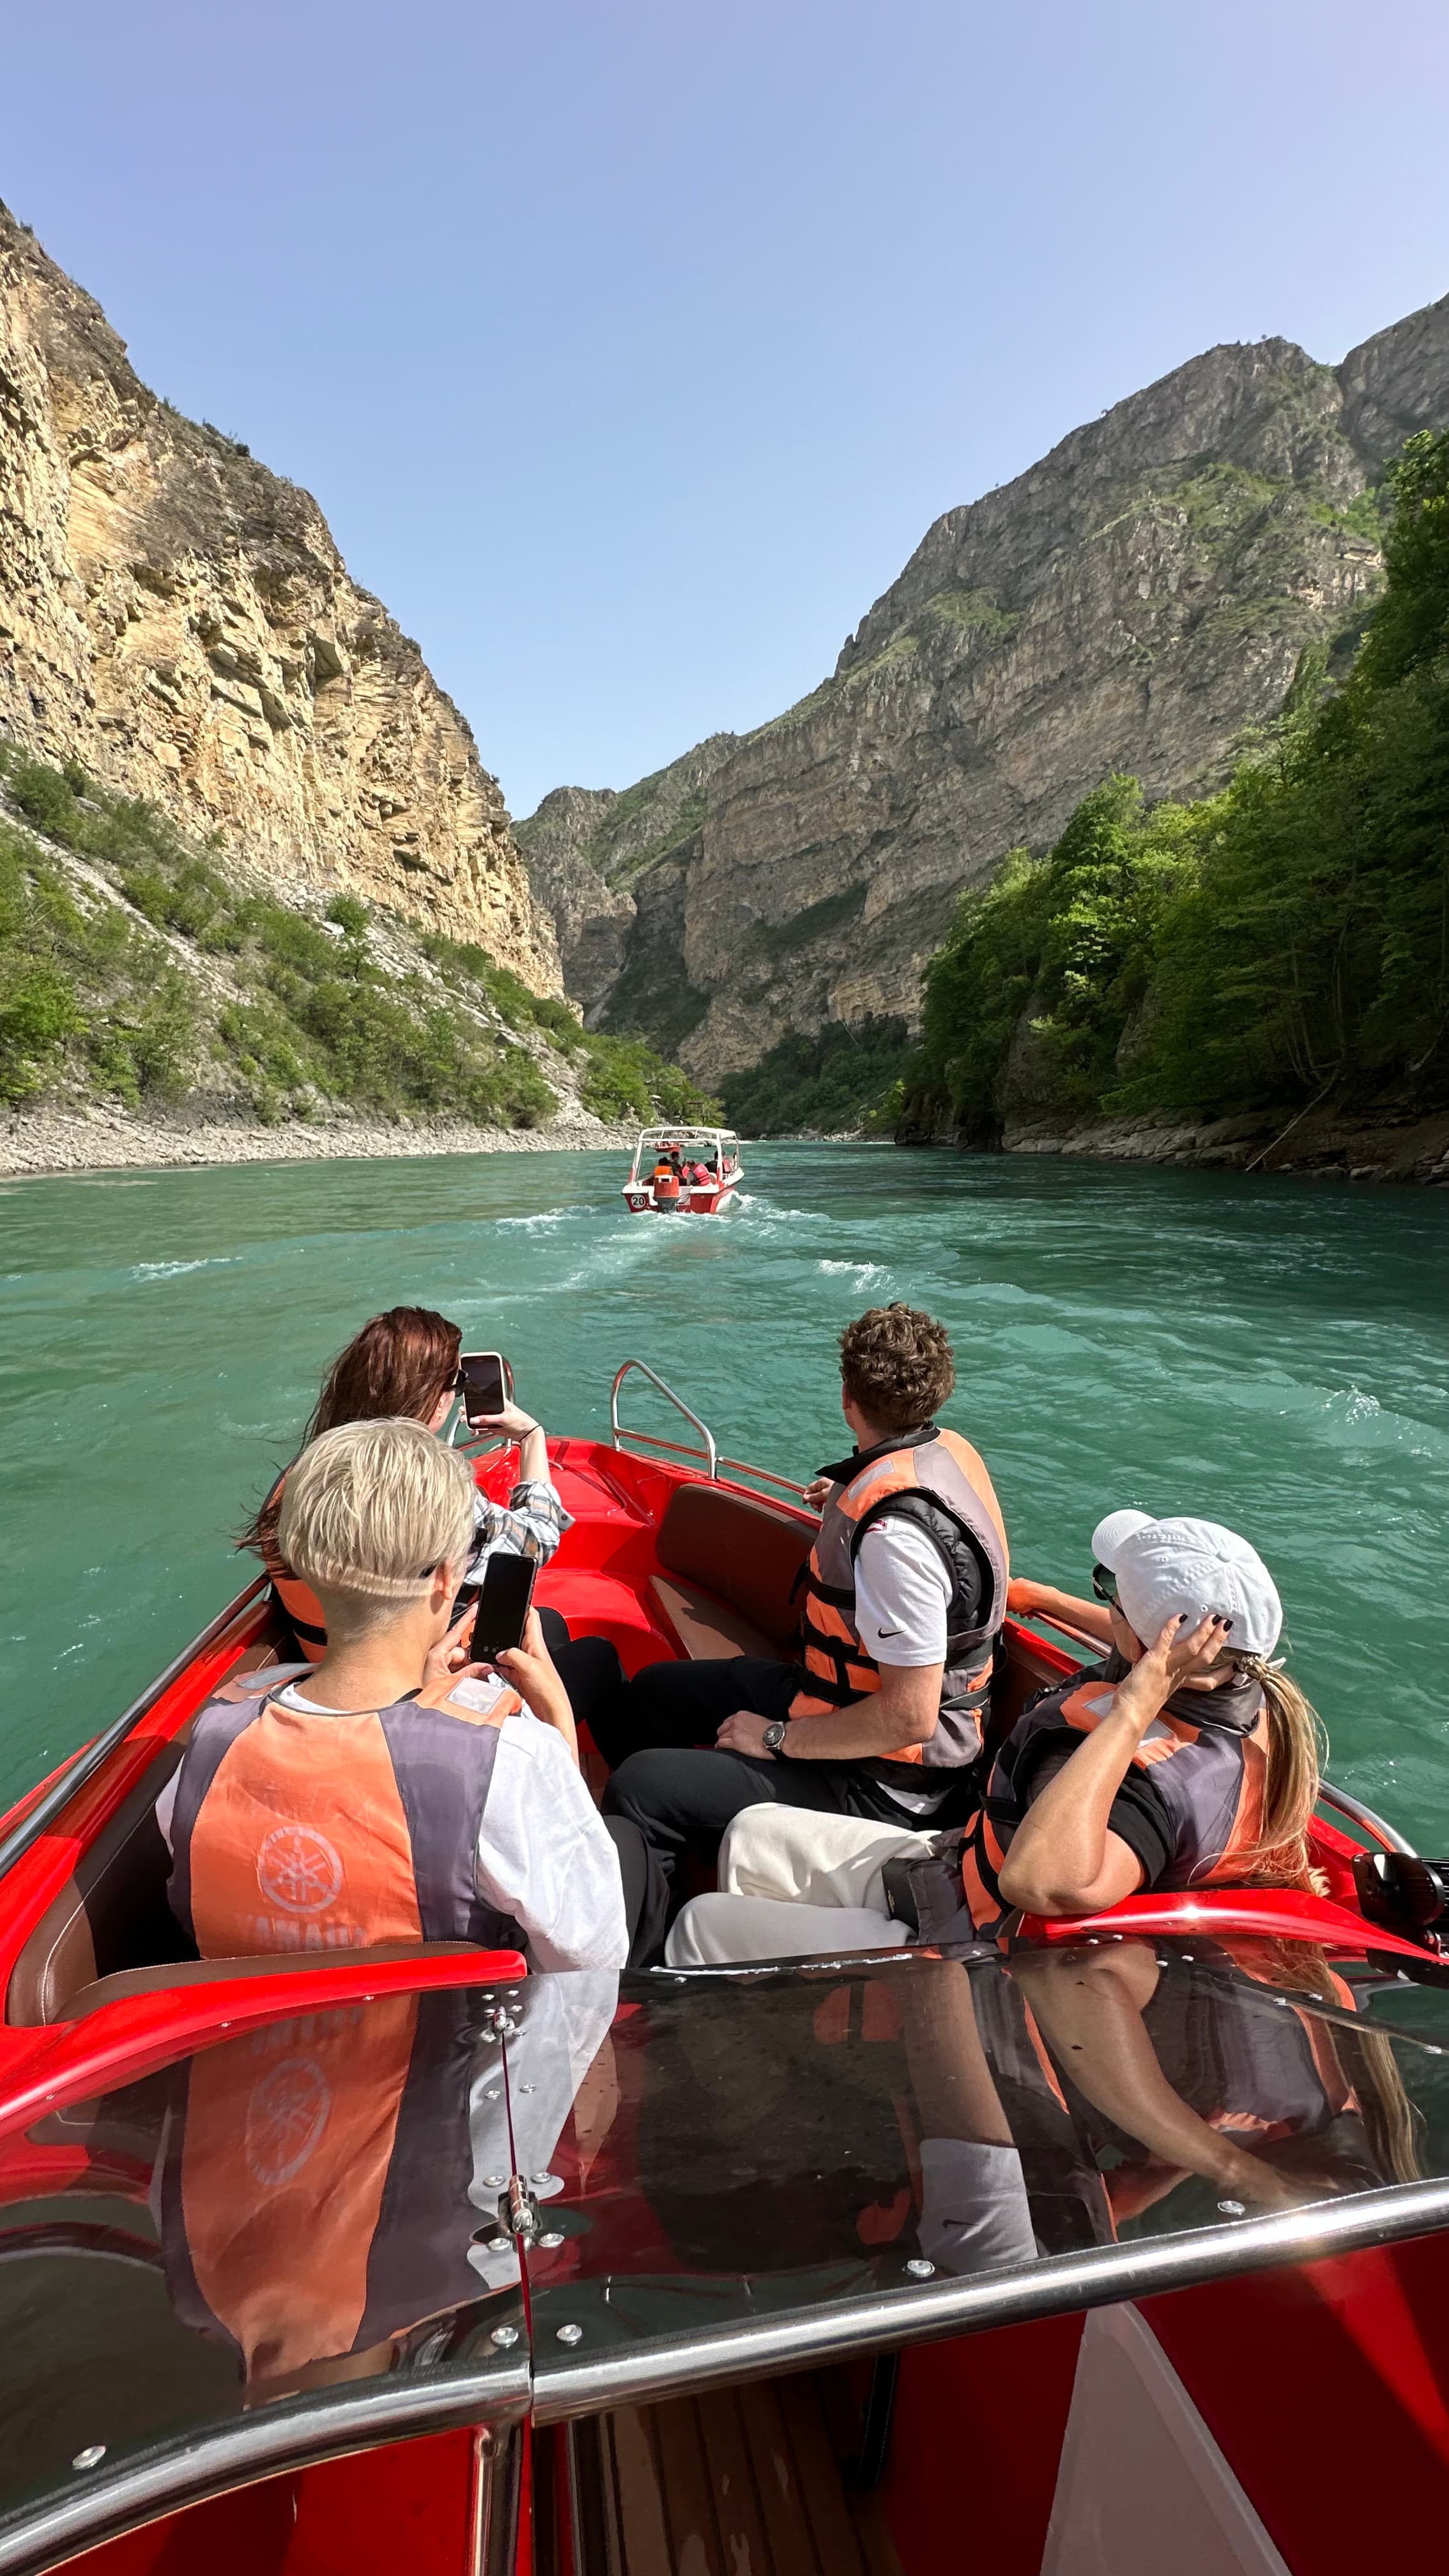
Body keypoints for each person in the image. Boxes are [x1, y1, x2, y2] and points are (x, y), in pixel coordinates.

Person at [666, 1508, 1326, 1965]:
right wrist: (1046, 1600)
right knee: (750, 1834)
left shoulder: (1143, 1776)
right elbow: (1130, 1633)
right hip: (952, 1865)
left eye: (1110, 1592)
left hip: (965, 1945)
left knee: (699, 1926)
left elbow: (1038, 1883)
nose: (1104, 1599)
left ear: (1154, 1649)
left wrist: (1132, 1708)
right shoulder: (1241, 1688)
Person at [165, 1417, 629, 1971]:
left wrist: (427, 1699)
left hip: (254, 2022)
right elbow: (592, 1962)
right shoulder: (511, 1760)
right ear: (446, 1576)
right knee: (629, 1842)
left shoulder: (214, 1738)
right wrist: (556, 1722)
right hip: (451, 2028)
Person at [599, 1302, 1009, 1896]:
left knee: (641, 1788)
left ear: (846, 1397)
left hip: (887, 1786)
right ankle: (702, 1841)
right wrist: (847, 1486)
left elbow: (910, 1717)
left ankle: (655, 1931)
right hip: (834, 1699)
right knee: (652, 1695)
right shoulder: (941, 1452)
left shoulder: (893, 1541)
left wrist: (776, 1739)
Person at [238, 1305, 623, 1745]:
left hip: (331, 1673)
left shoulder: (299, 1481)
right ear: (435, 1397)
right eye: (457, 1383)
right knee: (599, 1656)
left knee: (548, 1624)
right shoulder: (427, 1500)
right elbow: (537, 1540)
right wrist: (531, 1438)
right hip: (420, 1690)